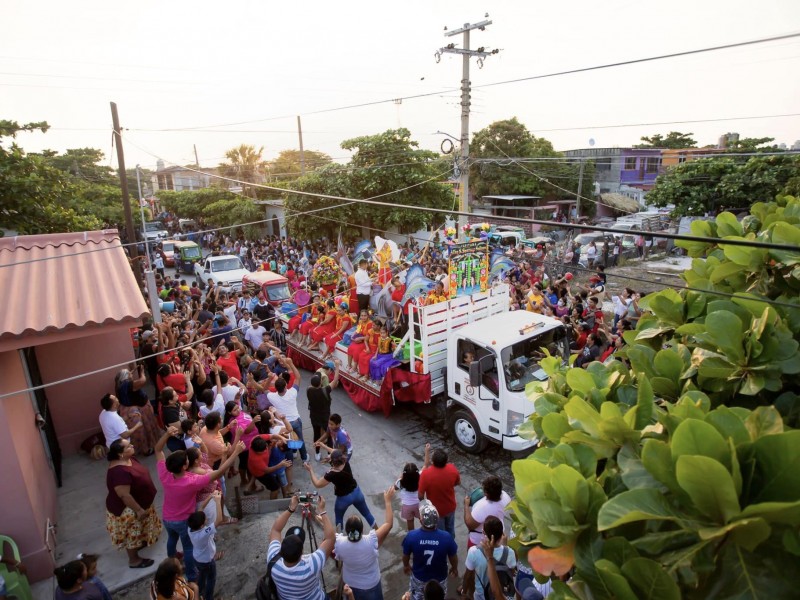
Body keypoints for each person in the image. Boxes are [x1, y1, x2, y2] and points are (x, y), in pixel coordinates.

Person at [156, 426, 245, 585]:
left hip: (167, 518)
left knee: (171, 538)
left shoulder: (165, 475)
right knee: (189, 548)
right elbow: (218, 472)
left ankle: (172, 559)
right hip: (183, 520)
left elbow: (157, 450)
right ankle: (191, 575)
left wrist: (167, 434)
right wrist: (236, 453)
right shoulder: (191, 481)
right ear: (184, 466)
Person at [105, 439, 161, 568]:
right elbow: (124, 495)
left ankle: (142, 542)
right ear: (120, 454)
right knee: (132, 535)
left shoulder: (130, 459)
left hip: (142, 502)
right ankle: (134, 560)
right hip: (129, 510)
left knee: (141, 528)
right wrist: (139, 510)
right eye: (128, 446)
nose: (132, 446)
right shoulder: (119, 472)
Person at [267, 494, 335, 600]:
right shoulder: (312, 565)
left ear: (280, 550)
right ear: (302, 552)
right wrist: (322, 511)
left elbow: (275, 529)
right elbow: (331, 538)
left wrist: (291, 509)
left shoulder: (273, 560)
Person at [334, 486, 396, 600]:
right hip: (371, 585)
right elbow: (389, 524)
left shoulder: (340, 543)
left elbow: (328, 539)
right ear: (362, 530)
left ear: (347, 532)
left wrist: (323, 516)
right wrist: (387, 501)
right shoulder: (371, 541)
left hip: (350, 586)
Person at [304, 450, 376, 530]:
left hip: (343, 499)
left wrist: (310, 470)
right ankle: (379, 532)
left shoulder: (331, 474)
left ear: (333, 462)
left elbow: (317, 484)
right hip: (357, 493)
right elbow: (335, 452)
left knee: (339, 520)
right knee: (367, 514)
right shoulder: (346, 462)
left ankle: (339, 537)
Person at [402, 502, 459, 600]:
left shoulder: (411, 536)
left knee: (417, 596)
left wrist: (406, 565)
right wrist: (454, 568)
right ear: (437, 520)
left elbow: (405, 555)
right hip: (439, 579)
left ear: (420, 520)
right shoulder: (446, 537)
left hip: (419, 577)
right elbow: (453, 556)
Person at [460, 517, 518, 600]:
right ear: (502, 533)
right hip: (502, 595)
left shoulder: (473, 551)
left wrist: (464, 592)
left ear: (483, 532)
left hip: (481, 596)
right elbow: (512, 573)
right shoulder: (510, 552)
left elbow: (468, 575)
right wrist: (506, 548)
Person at [266, 362, 309, 463]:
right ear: (286, 385)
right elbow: (298, 377)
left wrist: (269, 378)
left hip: (283, 424)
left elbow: (264, 389)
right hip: (295, 421)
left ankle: (293, 452)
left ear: (275, 388)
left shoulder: (272, 396)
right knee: (299, 439)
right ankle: (304, 458)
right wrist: (291, 363)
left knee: (288, 439)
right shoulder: (292, 392)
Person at [115, 367, 160, 456]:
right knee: (142, 431)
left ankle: (144, 448)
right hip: (136, 411)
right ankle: (145, 450)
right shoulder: (127, 384)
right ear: (126, 376)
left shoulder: (120, 384)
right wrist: (142, 372)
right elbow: (142, 381)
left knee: (142, 430)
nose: (132, 374)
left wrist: (130, 373)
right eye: (129, 373)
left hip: (131, 409)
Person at [187, 494, 224, 600]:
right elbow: (219, 520)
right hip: (207, 561)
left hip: (197, 558)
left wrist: (211, 496)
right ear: (202, 526)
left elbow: (201, 508)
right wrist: (217, 501)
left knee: (202, 576)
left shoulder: (190, 528)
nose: (207, 518)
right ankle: (209, 597)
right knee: (211, 579)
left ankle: (200, 592)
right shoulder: (204, 533)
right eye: (205, 519)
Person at [418, 448, 460, 540]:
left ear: (432, 461)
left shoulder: (425, 474)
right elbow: (457, 483)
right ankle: (451, 546)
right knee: (450, 529)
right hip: (450, 507)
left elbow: (420, 496)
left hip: (436, 511)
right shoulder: (452, 469)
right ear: (446, 460)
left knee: (440, 533)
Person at [464, 475, 512, 548]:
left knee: (474, 556)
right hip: (498, 535)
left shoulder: (481, 507)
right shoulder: (506, 497)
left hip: (480, 540)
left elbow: (470, 525)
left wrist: (466, 506)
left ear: (486, 493)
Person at [306, 364, 341, 460]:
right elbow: (335, 381)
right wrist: (337, 367)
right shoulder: (325, 390)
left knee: (316, 434)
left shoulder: (308, 390)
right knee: (329, 434)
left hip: (314, 416)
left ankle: (317, 454)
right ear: (321, 381)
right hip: (325, 417)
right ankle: (329, 454)